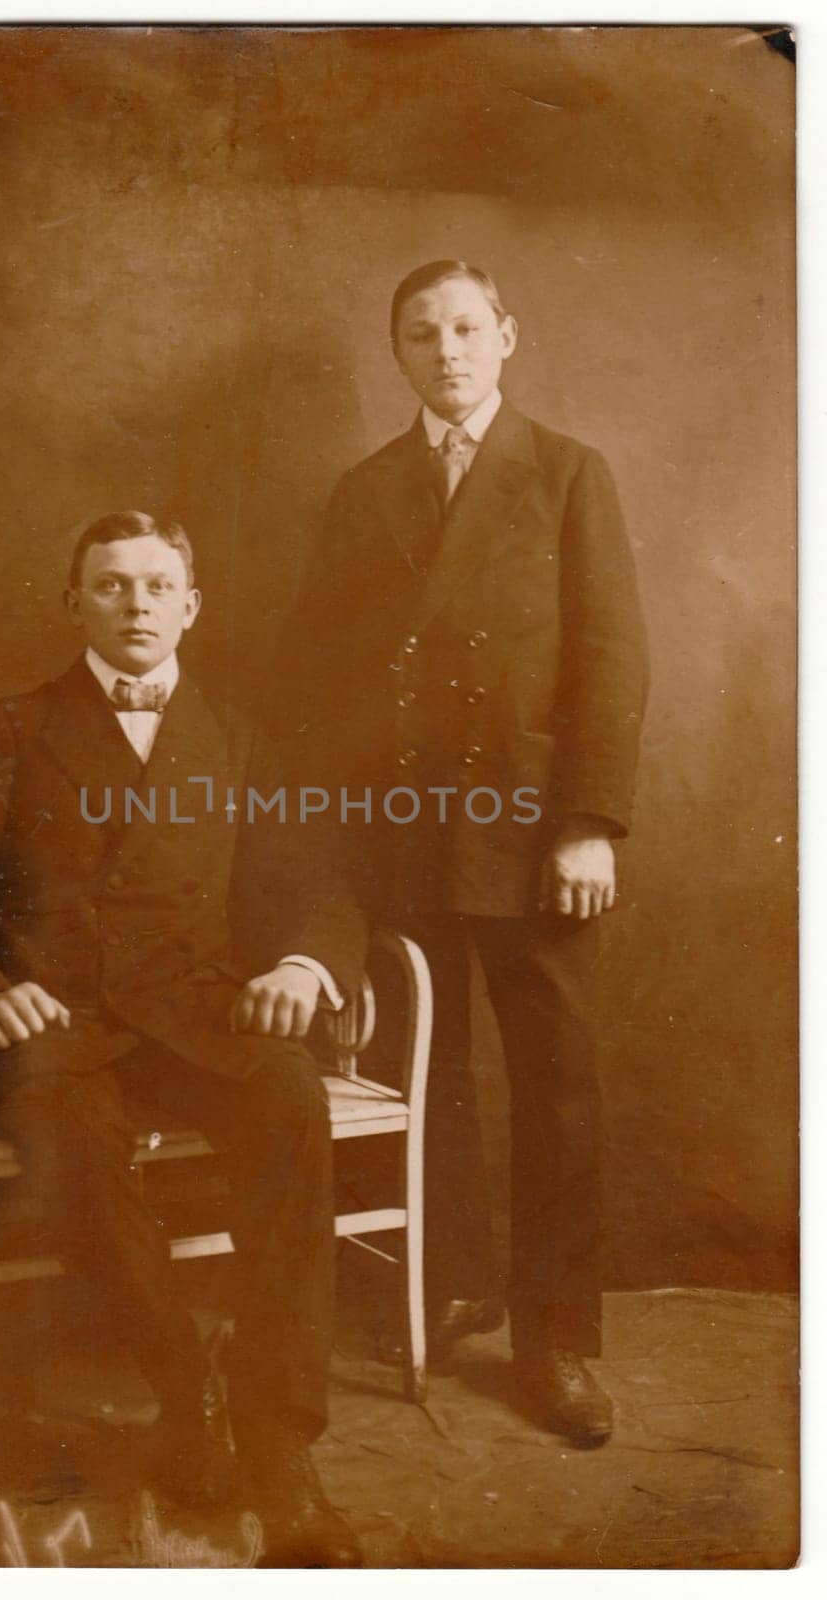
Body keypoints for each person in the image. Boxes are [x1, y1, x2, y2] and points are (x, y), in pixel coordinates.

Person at [0, 510, 368, 1565]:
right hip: (56, 1022)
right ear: (75, 604)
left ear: (190, 606)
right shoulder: (12, 725)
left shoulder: (236, 733)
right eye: (110, 585)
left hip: (189, 1012)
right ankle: (184, 1395)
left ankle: (281, 1449)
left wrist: (301, 966)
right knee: (76, 1139)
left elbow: (320, 887)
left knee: (290, 1098)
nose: (135, 604)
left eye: (156, 586)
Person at [275, 260, 649, 1448]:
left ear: (506, 336)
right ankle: (454, 1282)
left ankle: (556, 1341)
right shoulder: (364, 488)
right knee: (425, 1082)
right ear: (396, 354)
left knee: (554, 1089)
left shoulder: (564, 472)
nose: (445, 350)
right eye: (419, 333)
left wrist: (588, 820)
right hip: (404, 830)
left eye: (464, 328)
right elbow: (323, 676)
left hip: (535, 836)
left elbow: (610, 655)